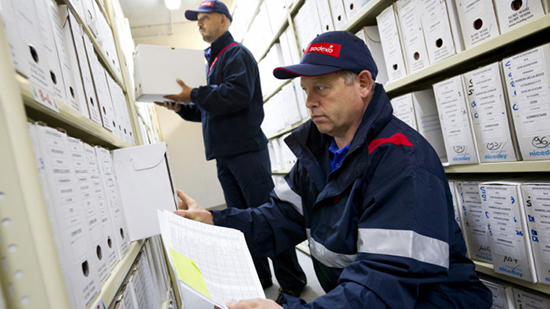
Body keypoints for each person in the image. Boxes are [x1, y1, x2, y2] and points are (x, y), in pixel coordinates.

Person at [173, 30, 493, 309]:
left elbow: (384, 284)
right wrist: (215, 221)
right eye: (306, 91)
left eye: (321, 88)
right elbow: (277, 218)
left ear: (363, 84)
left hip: (429, 301)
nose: (310, 102)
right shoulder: (321, 152)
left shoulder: (401, 162)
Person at [154, 0, 307, 300]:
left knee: (266, 215)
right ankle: (260, 278)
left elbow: (237, 95)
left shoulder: (236, 54)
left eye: (205, 18)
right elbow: (209, 111)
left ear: (223, 21)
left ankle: (292, 280)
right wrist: (182, 107)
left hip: (246, 153)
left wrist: (194, 93)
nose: (199, 23)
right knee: (240, 222)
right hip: (225, 156)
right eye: (197, 19)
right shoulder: (212, 62)